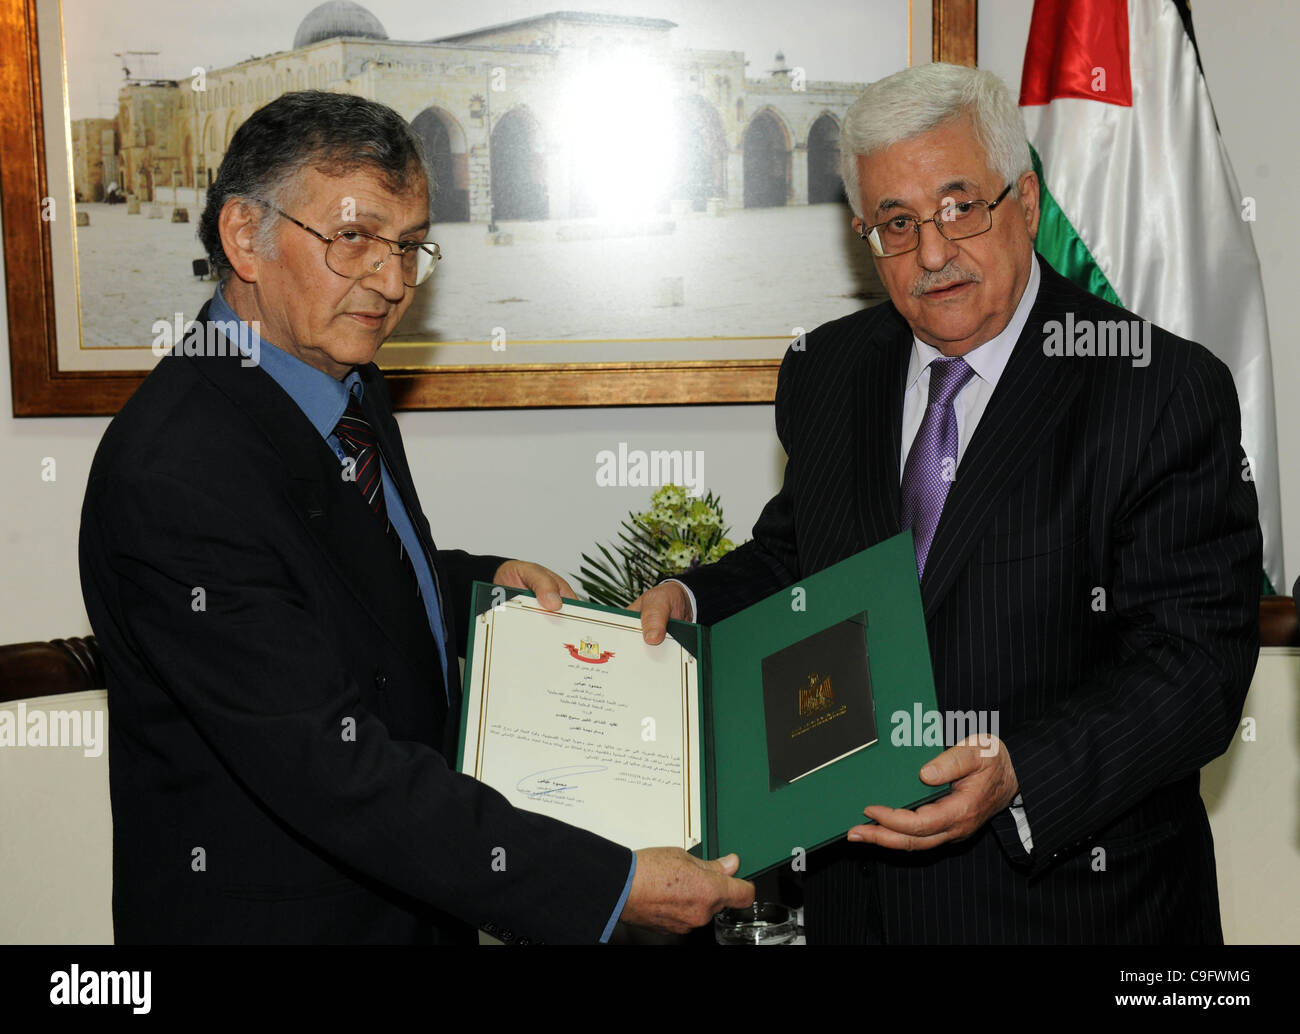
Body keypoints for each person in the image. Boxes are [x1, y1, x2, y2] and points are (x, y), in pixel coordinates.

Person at [79, 90, 752, 944]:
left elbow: (328, 583)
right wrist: (608, 884)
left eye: (409, 247)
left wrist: (468, 586)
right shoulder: (178, 472)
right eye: (354, 239)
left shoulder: (338, 384)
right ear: (246, 236)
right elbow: (333, 768)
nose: (392, 283)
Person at [636, 63, 1261, 943]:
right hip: (864, 908)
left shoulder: (1157, 389)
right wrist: (691, 601)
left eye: (961, 207)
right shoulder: (826, 371)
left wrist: (1020, 774)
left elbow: (1196, 667)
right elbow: (798, 559)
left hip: (1077, 911)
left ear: (1028, 201)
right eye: (897, 224)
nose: (932, 253)